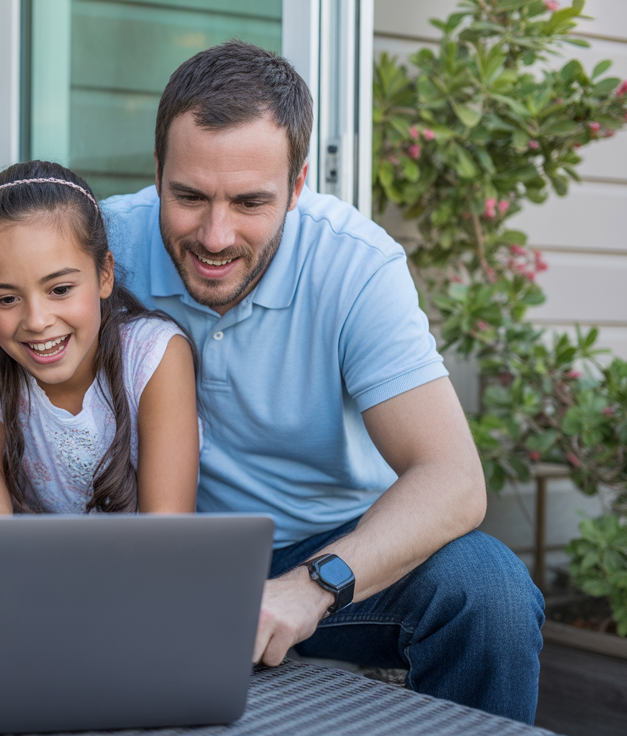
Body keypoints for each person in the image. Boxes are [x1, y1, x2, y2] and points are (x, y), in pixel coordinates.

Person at [101, 41, 544, 723]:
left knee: (491, 591)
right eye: (189, 196)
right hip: (162, 548)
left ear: (299, 186)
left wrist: (314, 585)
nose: (215, 236)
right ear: (156, 170)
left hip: (327, 543)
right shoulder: (102, 247)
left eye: (250, 201)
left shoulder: (356, 267)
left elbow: (453, 480)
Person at [0, 161, 198, 515]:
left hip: (144, 566)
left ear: (104, 275)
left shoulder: (153, 356)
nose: (37, 321)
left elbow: (167, 529)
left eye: (60, 289)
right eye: (7, 299)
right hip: (32, 568)